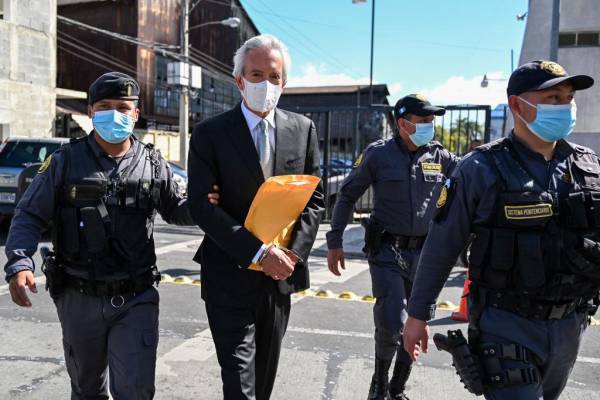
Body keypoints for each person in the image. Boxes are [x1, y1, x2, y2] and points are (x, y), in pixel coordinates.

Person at [5, 71, 218, 399]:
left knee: (134, 391)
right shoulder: (64, 161)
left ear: (135, 113)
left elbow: (176, 210)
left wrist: (204, 204)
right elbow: (28, 215)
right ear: (91, 112)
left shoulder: (152, 163)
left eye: (123, 107)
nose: (114, 114)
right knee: (87, 390)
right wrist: (20, 264)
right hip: (79, 296)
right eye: (105, 106)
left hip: (137, 296)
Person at [403, 60, 600, 400]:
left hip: (570, 326)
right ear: (516, 105)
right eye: (552, 98)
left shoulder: (589, 166)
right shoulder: (480, 169)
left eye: (568, 97)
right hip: (506, 326)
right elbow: (442, 245)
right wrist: (418, 315)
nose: (565, 106)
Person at [187, 34, 324, 400]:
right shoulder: (209, 134)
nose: (266, 84)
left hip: (278, 280)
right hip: (228, 275)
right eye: (257, 74)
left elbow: (315, 198)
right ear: (239, 80)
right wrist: (259, 252)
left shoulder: (302, 129)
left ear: (285, 82)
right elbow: (201, 205)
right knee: (239, 383)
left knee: (262, 382)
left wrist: (292, 254)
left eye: (274, 77)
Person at [326, 94, 459, 400]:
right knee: (391, 321)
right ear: (403, 123)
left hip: (425, 255)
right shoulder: (378, 155)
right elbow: (346, 196)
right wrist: (334, 241)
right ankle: (379, 380)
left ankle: (396, 389)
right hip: (387, 249)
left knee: (415, 321)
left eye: (431, 121)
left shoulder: (441, 158)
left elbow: (471, 182)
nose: (430, 126)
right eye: (423, 121)